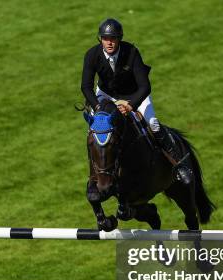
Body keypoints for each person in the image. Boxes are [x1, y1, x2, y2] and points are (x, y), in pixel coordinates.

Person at [81, 18, 192, 185]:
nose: (109, 43)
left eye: (113, 38)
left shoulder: (131, 52)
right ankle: (95, 175)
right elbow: (86, 87)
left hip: (133, 94)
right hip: (106, 95)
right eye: (105, 38)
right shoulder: (92, 55)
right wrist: (97, 107)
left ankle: (179, 165)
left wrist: (130, 105)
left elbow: (145, 86)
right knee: (96, 130)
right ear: (100, 39)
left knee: (153, 123)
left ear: (119, 38)